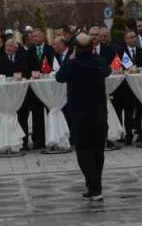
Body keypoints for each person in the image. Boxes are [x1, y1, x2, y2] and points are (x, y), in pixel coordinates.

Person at [55, 33, 112, 201]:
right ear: (92, 47)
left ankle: (93, 186)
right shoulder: (98, 61)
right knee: (98, 152)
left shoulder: (72, 64)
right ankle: (95, 186)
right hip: (99, 113)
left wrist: (70, 58)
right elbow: (108, 71)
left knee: (83, 152)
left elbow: (59, 77)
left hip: (79, 114)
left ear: (75, 49)